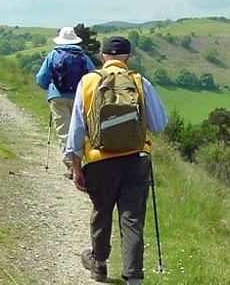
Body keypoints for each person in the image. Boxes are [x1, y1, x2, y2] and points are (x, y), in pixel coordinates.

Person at [65, 36, 167, 284]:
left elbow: (77, 129)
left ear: (102, 57)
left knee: (102, 211)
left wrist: (75, 165)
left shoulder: (89, 82)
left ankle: (99, 264)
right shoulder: (140, 82)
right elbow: (159, 124)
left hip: (100, 161)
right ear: (128, 58)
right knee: (132, 219)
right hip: (136, 160)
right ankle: (134, 277)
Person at [36, 27, 97, 177]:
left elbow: (41, 78)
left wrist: (49, 88)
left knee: (64, 130)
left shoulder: (53, 55)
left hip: (57, 97)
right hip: (79, 97)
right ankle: (82, 161)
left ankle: (70, 164)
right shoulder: (83, 57)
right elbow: (94, 77)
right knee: (79, 130)